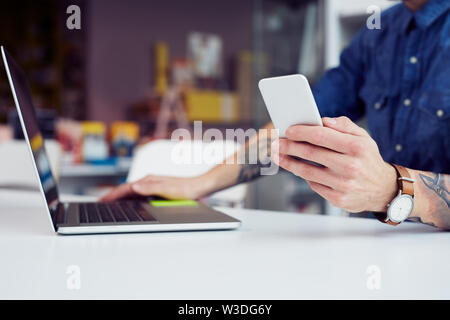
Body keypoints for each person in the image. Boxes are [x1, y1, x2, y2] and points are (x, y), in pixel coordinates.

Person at [102, 0, 450, 229]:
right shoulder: (379, 33)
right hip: (380, 247)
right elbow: (290, 131)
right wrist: (198, 183)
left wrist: (393, 188)